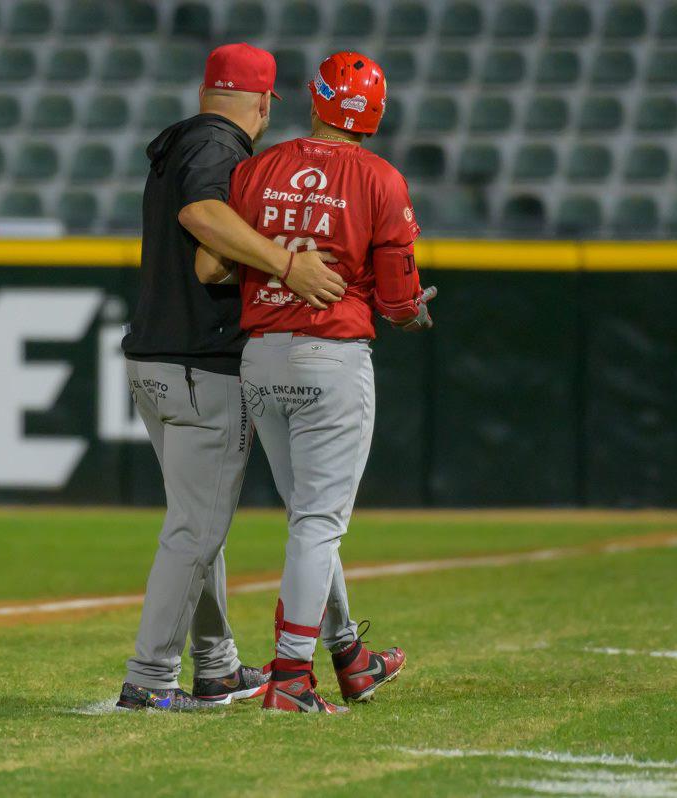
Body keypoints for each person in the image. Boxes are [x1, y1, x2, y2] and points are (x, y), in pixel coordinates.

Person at [196, 52, 437, 713]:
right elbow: (397, 298)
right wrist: (412, 312)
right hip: (331, 356)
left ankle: (350, 658)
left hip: (260, 356)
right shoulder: (381, 178)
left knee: (308, 518)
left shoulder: (258, 168)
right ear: (375, 114)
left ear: (316, 98)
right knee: (318, 524)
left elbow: (212, 266)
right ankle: (292, 679)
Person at [116, 43, 348, 711]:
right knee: (196, 530)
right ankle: (149, 679)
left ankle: (215, 665)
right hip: (201, 363)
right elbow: (202, 218)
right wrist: (287, 264)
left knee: (198, 521)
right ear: (267, 103)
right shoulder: (220, 147)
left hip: (156, 361)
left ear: (204, 92)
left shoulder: (183, 142)